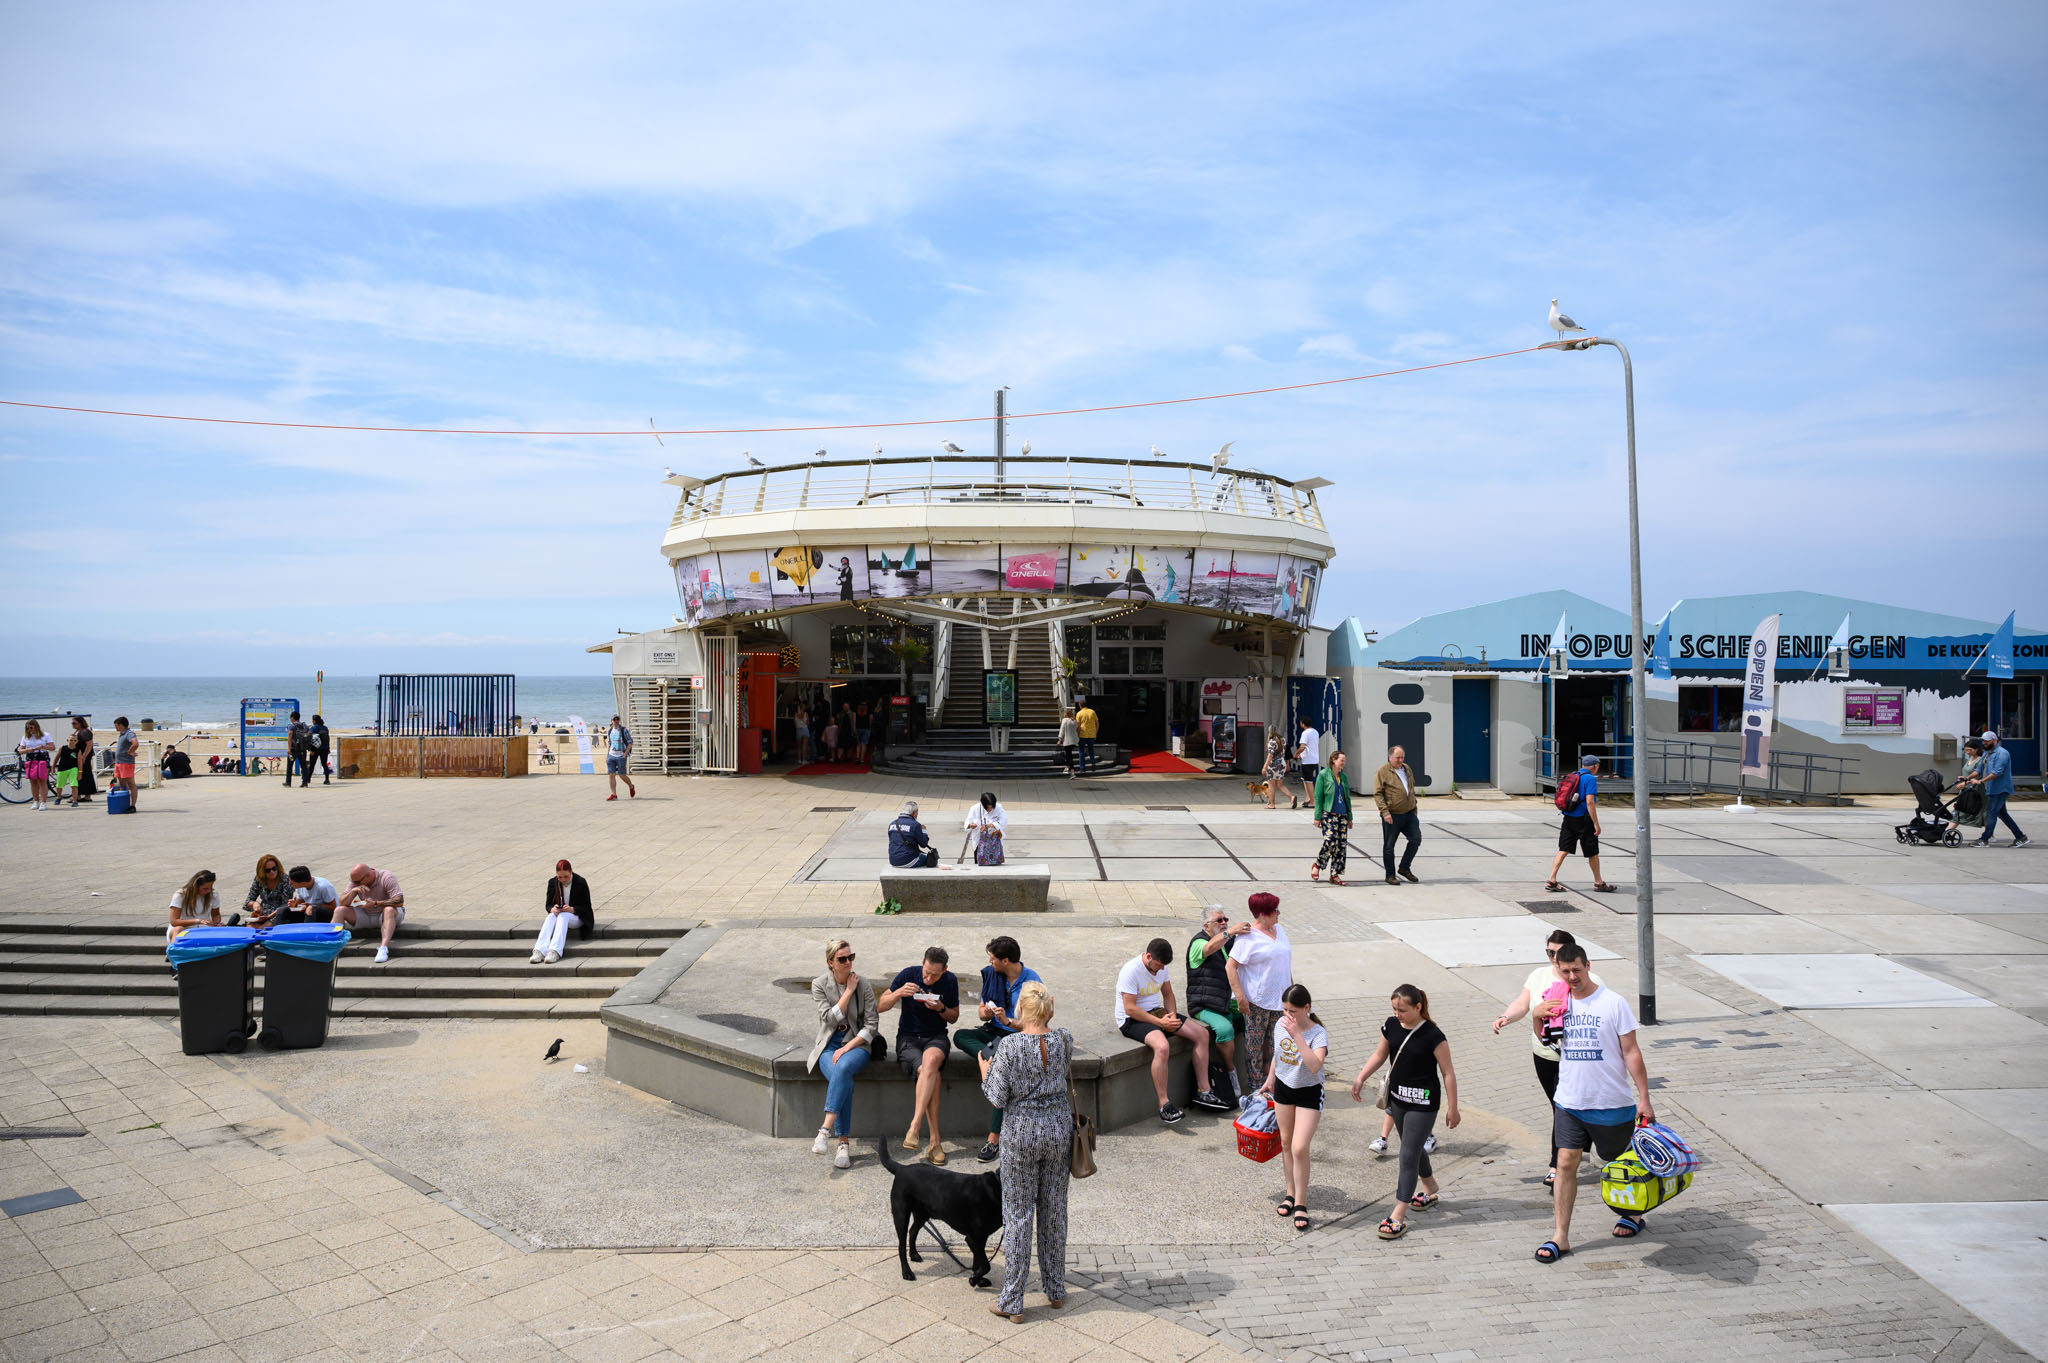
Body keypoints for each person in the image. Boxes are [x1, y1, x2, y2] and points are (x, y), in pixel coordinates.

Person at [1537, 942, 1658, 1264]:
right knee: (1565, 1162)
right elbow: (1546, 1040)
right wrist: (1536, 1016)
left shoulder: (1612, 1002)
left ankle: (1632, 1214)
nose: (1572, 976)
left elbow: (1631, 1051)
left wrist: (1644, 1098)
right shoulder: (1557, 1002)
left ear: (1588, 965)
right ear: (1558, 970)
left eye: (1577, 969)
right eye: (1565, 971)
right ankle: (1560, 1236)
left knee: (1619, 1164)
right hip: (1569, 1101)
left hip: (1610, 1103)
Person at [980, 980, 1072, 1323]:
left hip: (1021, 1134)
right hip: (1058, 1131)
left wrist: (984, 1073)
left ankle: (1013, 1300)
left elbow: (997, 1097)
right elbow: (1042, 1041)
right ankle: (1055, 1289)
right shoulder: (1064, 1039)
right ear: (1049, 1007)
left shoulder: (1010, 1046)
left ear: (1020, 1009)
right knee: (1054, 1210)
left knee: (1018, 1216)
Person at [1493, 929, 1602, 1187]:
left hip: (1577, 1058)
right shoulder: (1538, 976)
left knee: (1561, 1108)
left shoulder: (1590, 979)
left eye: (1558, 952)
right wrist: (1506, 1018)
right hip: (1544, 1053)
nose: (1553, 958)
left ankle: (1556, 1165)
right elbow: (1523, 1003)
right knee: (1561, 1106)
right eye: (1549, 952)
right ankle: (1577, 1144)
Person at [1350, 984, 1460, 1240]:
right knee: (1413, 1146)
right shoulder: (1391, 1025)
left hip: (1423, 1103)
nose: (1397, 1014)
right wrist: (1361, 1078)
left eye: (1402, 1010)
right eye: (1394, 1009)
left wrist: (1453, 1108)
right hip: (1397, 1100)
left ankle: (1398, 1213)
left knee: (1407, 1154)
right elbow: (1380, 1055)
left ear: (1418, 1007)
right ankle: (1430, 1185)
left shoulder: (1434, 1035)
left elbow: (1448, 1072)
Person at [1116, 937, 1231, 1123]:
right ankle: (1164, 1104)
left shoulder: (1162, 967)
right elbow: (1130, 1008)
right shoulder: (1131, 971)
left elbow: (1168, 994)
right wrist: (1161, 1023)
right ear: (1148, 956)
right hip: (1132, 1019)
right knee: (1162, 1047)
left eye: (1164, 966)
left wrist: (1172, 1016)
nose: (1161, 969)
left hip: (1157, 1013)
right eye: (1159, 965)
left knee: (1202, 1034)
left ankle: (1205, 1091)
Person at [955, 935, 1041, 1163]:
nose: (990, 962)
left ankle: (993, 1139)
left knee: (1003, 1073)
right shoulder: (993, 975)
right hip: (993, 1033)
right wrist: (987, 1013)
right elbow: (982, 1011)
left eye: (993, 959)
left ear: (1006, 960)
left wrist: (1008, 1021)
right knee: (960, 1036)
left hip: (1015, 1036)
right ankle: (989, 1054)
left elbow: (1034, 1023)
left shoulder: (1031, 983)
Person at [878, 946, 960, 1163]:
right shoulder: (908, 975)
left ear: (944, 970)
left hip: (936, 1037)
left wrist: (941, 1008)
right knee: (929, 1071)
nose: (928, 977)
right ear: (922, 963)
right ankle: (935, 1142)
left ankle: (914, 1125)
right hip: (908, 1038)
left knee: (931, 1060)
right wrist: (898, 993)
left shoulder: (950, 981)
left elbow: (953, 1017)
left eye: (934, 974)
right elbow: (879, 1006)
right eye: (926, 972)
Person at [1259, 983, 1328, 1232]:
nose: (1288, 1016)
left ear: (1307, 1008)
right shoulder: (1280, 1025)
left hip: (1309, 1092)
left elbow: (1315, 1066)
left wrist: (1298, 1035)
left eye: (1294, 1011)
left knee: (1300, 1147)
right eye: (1285, 1010)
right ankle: (1290, 1193)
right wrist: (1270, 1080)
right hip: (1285, 1088)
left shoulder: (1318, 1033)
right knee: (1286, 1143)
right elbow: (1279, 1055)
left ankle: (1301, 1202)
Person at [807, 938, 878, 1170]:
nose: (848, 962)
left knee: (844, 1067)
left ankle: (825, 1130)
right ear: (831, 963)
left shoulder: (864, 984)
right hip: (828, 1045)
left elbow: (871, 1025)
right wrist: (848, 991)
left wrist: (847, 1047)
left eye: (851, 957)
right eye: (842, 959)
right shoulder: (819, 984)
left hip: (856, 1044)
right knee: (842, 1075)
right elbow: (828, 1018)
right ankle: (843, 1144)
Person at [1227, 892, 1292, 1092]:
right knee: (1255, 1046)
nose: (1278, 913)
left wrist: (1291, 993)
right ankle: (1256, 1087)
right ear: (1262, 914)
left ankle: (1271, 1082)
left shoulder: (1279, 930)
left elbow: (1285, 963)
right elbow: (1231, 967)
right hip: (1257, 1001)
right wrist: (1240, 997)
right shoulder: (1248, 938)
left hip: (1280, 1000)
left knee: (1275, 1044)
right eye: (1275, 910)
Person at [1185, 906, 1247, 1091]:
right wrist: (1231, 931)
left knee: (1254, 1016)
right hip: (1203, 1003)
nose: (1224, 923)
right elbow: (1209, 948)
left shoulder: (1227, 941)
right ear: (1206, 925)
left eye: (1225, 919)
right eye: (1219, 921)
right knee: (1225, 1029)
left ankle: (1257, 1069)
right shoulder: (1198, 942)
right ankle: (1231, 1071)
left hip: (1225, 1000)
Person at [1545, 755, 1616, 893]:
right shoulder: (1589, 779)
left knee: (1563, 849)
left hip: (1568, 818)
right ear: (1595, 766)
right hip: (1584, 820)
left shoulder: (1573, 775)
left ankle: (1552, 879)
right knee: (1592, 852)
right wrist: (1596, 823)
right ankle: (1598, 882)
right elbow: (1590, 802)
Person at [335, 863, 405, 964]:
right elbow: (342, 902)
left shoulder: (386, 876)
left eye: (358, 882)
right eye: (354, 882)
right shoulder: (356, 881)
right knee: (339, 910)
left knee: (389, 909)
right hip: (366, 915)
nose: (356, 884)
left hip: (386, 915)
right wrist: (353, 891)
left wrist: (376, 904)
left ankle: (383, 948)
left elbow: (399, 901)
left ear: (368, 875)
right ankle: (332, 946)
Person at [1373, 745, 1422, 886]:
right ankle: (1390, 875)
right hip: (1392, 815)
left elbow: (1411, 788)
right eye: (1397, 758)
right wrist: (1385, 812)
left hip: (1409, 813)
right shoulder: (1382, 771)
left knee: (1416, 839)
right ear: (1390, 758)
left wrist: (1414, 807)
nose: (1400, 760)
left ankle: (1404, 868)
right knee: (1389, 846)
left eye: (1402, 757)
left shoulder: (1407, 769)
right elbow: (1378, 793)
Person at [1971, 730, 2030, 848]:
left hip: (2001, 789)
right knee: (2002, 814)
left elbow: (1996, 772)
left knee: (1992, 813)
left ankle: (1985, 839)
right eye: (1983, 741)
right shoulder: (1986, 753)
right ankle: (2020, 837)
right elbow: (1979, 770)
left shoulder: (2002, 753)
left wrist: (1981, 781)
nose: (1984, 743)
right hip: (1991, 789)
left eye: (1987, 741)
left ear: (1995, 740)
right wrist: (1967, 778)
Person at [532, 858, 594, 964]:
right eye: (560, 877)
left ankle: (555, 951)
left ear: (571, 872)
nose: (563, 879)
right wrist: (552, 909)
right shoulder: (553, 882)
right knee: (550, 916)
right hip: (560, 915)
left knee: (563, 916)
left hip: (577, 917)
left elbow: (587, 907)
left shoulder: (580, 882)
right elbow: (548, 904)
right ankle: (539, 950)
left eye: (566, 876)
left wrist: (572, 909)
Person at [1309, 751, 1353, 885]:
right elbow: (1318, 797)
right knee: (1330, 840)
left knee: (1340, 845)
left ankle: (1335, 874)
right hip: (1328, 813)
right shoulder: (1323, 775)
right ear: (1333, 760)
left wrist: (1350, 817)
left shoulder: (1343, 777)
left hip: (1342, 815)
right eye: (1341, 760)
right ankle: (1317, 864)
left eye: (1344, 761)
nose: (1343, 763)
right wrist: (1317, 817)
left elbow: (1347, 798)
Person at [168, 869, 225, 941]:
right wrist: (198, 921)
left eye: (210, 888)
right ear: (195, 887)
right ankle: (174, 950)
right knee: (178, 929)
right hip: (184, 929)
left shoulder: (213, 894)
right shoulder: (180, 895)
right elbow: (174, 921)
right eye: (205, 889)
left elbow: (215, 914)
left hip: (203, 928)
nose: (208, 891)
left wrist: (216, 923)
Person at [1952, 738, 1988, 836]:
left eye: (1970, 750)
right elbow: (1969, 774)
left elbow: (1978, 775)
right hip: (1967, 789)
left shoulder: (1980, 760)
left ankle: (1948, 831)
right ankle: (1989, 834)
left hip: (1975, 790)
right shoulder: (1969, 759)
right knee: (1962, 810)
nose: (1968, 752)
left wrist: (1965, 783)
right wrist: (1963, 778)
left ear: (1976, 749)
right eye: (1966, 750)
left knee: (1966, 810)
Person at [888, 800, 940, 868]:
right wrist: (923, 831)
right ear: (914, 813)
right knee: (931, 860)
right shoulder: (915, 825)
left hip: (893, 860)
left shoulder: (892, 824)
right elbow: (923, 844)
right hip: (908, 860)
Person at [245, 854, 292, 927]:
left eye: (274, 868)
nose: (272, 872)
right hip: (263, 915)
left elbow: (285, 905)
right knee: (250, 928)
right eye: (268, 870)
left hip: (279, 914)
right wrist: (254, 904)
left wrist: (269, 916)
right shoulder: (259, 879)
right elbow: (248, 901)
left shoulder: (285, 880)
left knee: (263, 929)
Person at [17, 720, 53, 811]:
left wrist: (42, 747)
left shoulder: (45, 735)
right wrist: (29, 750)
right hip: (30, 758)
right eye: (27, 728)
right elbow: (20, 750)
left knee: (42, 781)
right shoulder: (25, 737)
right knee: (33, 781)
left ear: (36, 726)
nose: (29, 730)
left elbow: (52, 747)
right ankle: (35, 801)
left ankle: (43, 802)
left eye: (31, 728)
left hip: (42, 758)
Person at [965, 791, 1007, 866]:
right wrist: (970, 825)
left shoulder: (999, 807)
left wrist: (991, 825)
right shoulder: (975, 808)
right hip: (980, 842)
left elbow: (1004, 821)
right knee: (980, 864)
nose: (989, 810)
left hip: (995, 842)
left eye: (991, 808)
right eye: (988, 808)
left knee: (996, 865)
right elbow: (967, 824)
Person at [1290, 716, 1320, 811]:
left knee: (1308, 781)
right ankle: (1308, 799)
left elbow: (1302, 747)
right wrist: (1301, 755)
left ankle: (1312, 801)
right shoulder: (1315, 732)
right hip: (1314, 759)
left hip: (1308, 761)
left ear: (1303, 724)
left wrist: (1296, 754)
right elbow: (1309, 747)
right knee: (1305, 779)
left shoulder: (1305, 733)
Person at [604, 715, 636, 800]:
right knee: (611, 775)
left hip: (621, 756)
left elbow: (630, 742)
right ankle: (614, 795)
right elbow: (610, 743)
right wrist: (607, 755)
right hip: (611, 755)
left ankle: (631, 786)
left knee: (622, 775)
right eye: (614, 719)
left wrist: (625, 754)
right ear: (611, 721)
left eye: (618, 719)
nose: (616, 721)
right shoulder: (610, 730)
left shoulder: (623, 730)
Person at [111, 717, 139, 812]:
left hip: (126, 763)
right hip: (119, 763)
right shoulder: (122, 734)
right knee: (122, 783)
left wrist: (130, 752)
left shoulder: (129, 733)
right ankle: (124, 804)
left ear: (120, 725)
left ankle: (132, 805)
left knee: (130, 783)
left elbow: (135, 744)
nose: (115, 727)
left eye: (116, 725)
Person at [70, 717, 97, 804]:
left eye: (74, 723)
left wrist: (84, 755)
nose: (73, 725)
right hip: (78, 755)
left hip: (83, 756)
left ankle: (87, 795)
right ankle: (78, 795)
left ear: (80, 723)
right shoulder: (78, 731)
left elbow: (89, 744)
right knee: (78, 774)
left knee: (86, 773)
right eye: (72, 723)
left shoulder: (85, 732)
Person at [51, 737, 81, 807]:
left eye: (74, 740)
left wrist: (80, 772)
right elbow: (56, 758)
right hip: (62, 769)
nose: (72, 742)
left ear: (76, 741)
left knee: (74, 784)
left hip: (73, 769)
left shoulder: (78, 750)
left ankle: (75, 800)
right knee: (59, 785)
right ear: (67, 740)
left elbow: (80, 762)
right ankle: (58, 797)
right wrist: (53, 767)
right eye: (71, 740)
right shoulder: (62, 748)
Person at [286, 711, 312, 788]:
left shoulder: (291, 726)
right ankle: (304, 783)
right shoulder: (305, 725)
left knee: (290, 766)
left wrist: (288, 748)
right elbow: (309, 735)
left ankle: (288, 782)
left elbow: (290, 737)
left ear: (292, 717)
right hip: (302, 749)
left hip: (293, 749)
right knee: (303, 766)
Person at [1261, 734, 1287, 809]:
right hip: (1282, 763)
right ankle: (1292, 797)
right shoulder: (1283, 740)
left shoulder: (1272, 741)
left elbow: (1270, 756)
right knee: (1280, 785)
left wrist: (1264, 767)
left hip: (1273, 765)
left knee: (1271, 785)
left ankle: (1272, 804)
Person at [1074, 699, 1099, 774]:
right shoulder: (1092, 712)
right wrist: (1095, 733)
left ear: (1080, 705)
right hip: (1091, 734)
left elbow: (1078, 726)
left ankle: (1082, 768)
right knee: (1091, 750)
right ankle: (1093, 763)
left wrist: (1077, 735)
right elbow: (1097, 723)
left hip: (1082, 734)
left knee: (1081, 751)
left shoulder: (1079, 713)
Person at [310, 714, 332, 785]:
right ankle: (327, 779)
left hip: (316, 749)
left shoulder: (313, 728)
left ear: (314, 721)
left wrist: (312, 750)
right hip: (324, 749)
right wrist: (328, 748)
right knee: (324, 764)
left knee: (312, 764)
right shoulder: (325, 728)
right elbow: (327, 739)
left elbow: (312, 740)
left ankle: (308, 779)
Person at [1057, 709, 1079, 778]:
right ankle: (1067, 767)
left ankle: (1072, 772)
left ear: (1065, 714)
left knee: (1069, 756)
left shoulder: (1064, 720)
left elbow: (1062, 730)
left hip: (1067, 741)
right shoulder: (1074, 721)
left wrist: (1060, 739)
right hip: (1074, 741)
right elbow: (1078, 729)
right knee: (1068, 755)